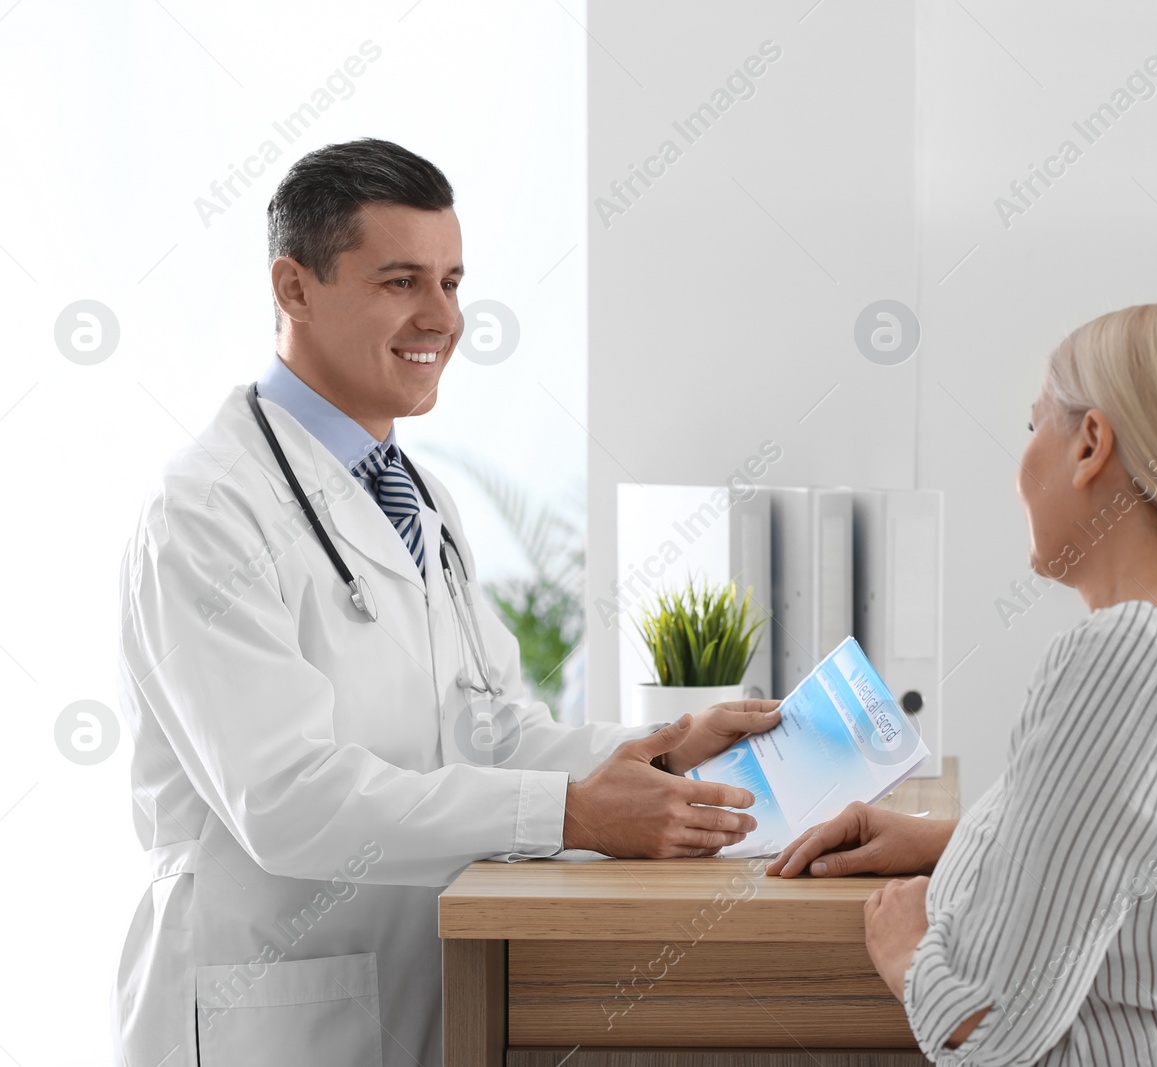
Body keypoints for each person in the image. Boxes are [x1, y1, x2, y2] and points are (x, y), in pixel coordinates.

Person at [111, 137, 780, 1067]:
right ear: (294, 288)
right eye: (400, 282)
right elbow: (288, 800)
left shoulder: (418, 496)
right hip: (271, 1006)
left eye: (453, 282)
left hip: (426, 982)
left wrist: (664, 745)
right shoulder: (207, 509)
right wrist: (570, 816)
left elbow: (491, 730)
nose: (443, 317)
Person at [767, 303, 1157, 1065]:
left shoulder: (1133, 653)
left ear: (1090, 443)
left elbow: (987, 1026)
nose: (1019, 472)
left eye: (1032, 426)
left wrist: (907, 947)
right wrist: (951, 846)